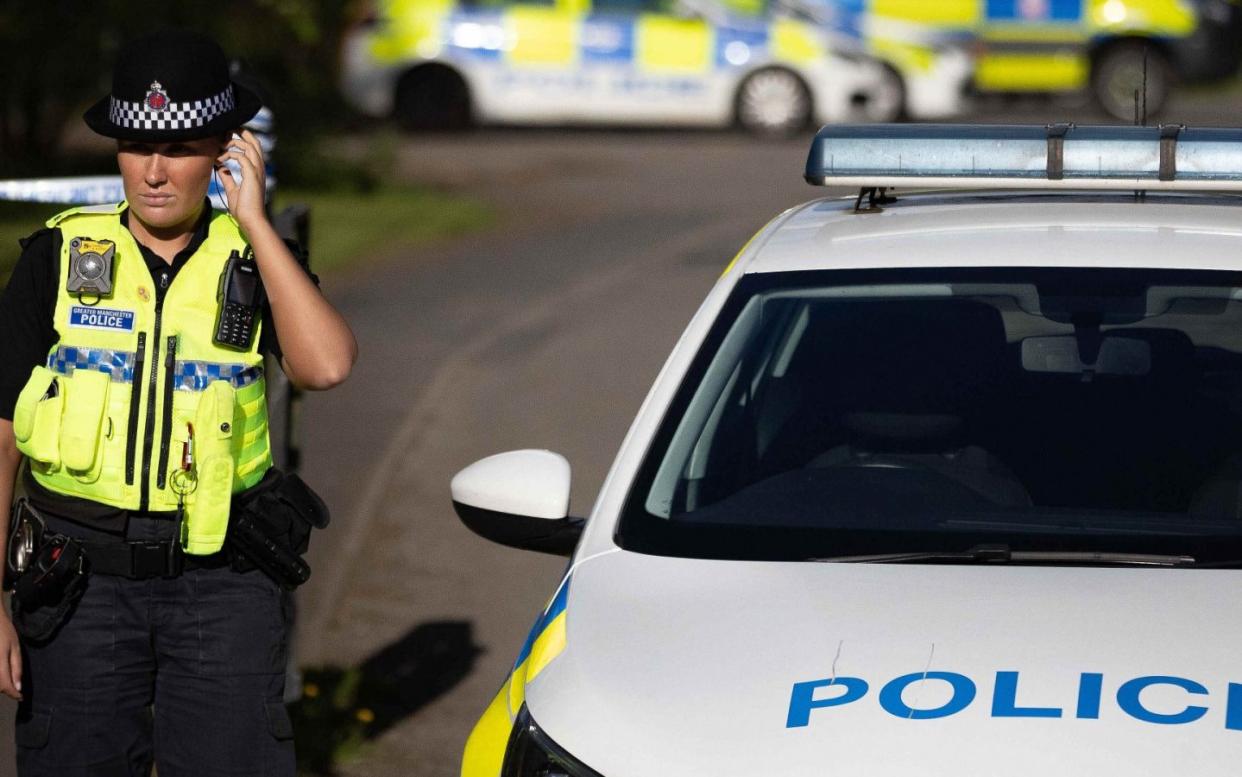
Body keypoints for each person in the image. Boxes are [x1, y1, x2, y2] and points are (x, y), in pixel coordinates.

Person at [0, 30, 357, 775]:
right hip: (78, 586)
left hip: (223, 591)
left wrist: (256, 221)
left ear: (225, 152)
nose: (154, 172)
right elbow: (1, 435)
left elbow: (324, 366)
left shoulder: (252, 258)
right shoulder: (57, 258)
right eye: (136, 145)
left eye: (182, 148)